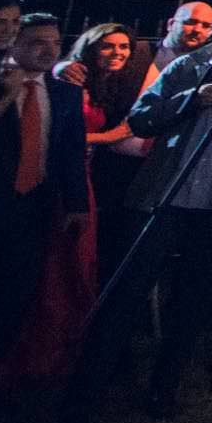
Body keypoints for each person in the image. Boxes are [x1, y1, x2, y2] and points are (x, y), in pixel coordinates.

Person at [61, 1, 212, 423]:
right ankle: (84, 397)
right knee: (125, 295)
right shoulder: (192, 66)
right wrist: (191, 100)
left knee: (192, 303)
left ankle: (164, 387)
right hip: (163, 199)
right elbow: (141, 119)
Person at [0, 12, 88, 402]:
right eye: (38, 42)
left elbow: (71, 150)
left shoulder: (63, 92)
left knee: (12, 299)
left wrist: (76, 202)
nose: (49, 51)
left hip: (33, 206)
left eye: (56, 43)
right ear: (16, 43)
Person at [59, 23, 150, 275]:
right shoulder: (74, 80)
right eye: (107, 47)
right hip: (65, 172)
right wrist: (106, 137)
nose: (117, 52)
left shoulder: (109, 83)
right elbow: (64, 137)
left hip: (86, 171)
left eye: (123, 47)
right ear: (91, 49)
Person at [143, 0, 212, 85]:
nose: (197, 30)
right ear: (170, 24)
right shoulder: (140, 51)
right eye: (191, 22)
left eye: (206, 26)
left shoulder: (210, 67)